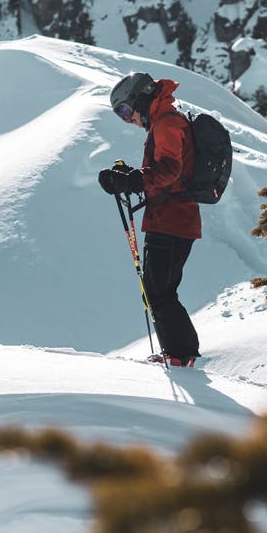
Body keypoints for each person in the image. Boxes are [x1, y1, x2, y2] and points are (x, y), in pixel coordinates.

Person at [97, 71, 200, 366]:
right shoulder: (164, 120)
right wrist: (132, 178)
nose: (128, 119)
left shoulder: (167, 122)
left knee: (159, 291)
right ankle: (178, 354)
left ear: (140, 98)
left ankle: (180, 356)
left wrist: (134, 181)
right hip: (170, 217)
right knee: (160, 290)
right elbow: (163, 173)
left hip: (173, 218)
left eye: (126, 111)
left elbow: (169, 171)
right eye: (121, 115)